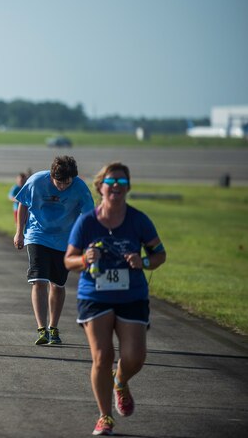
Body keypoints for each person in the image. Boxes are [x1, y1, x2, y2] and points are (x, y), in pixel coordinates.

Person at [64, 162, 166, 436]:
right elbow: (68, 260)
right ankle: (105, 416)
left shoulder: (139, 220)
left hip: (131, 294)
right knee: (102, 356)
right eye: (111, 183)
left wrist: (142, 260)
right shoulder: (87, 222)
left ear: (128, 188)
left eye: (122, 183)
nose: (116, 187)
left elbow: (159, 254)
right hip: (95, 294)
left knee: (134, 357)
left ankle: (120, 380)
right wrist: (84, 259)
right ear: (100, 187)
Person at [14, 155, 94, 345]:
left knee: (57, 284)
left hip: (64, 240)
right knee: (38, 280)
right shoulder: (36, 181)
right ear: (52, 175)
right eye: (59, 182)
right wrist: (19, 232)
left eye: (67, 183)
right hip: (37, 235)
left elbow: (89, 215)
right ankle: (42, 329)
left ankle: (54, 327)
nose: (63, 187)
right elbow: (23, 204)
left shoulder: (80, 187)